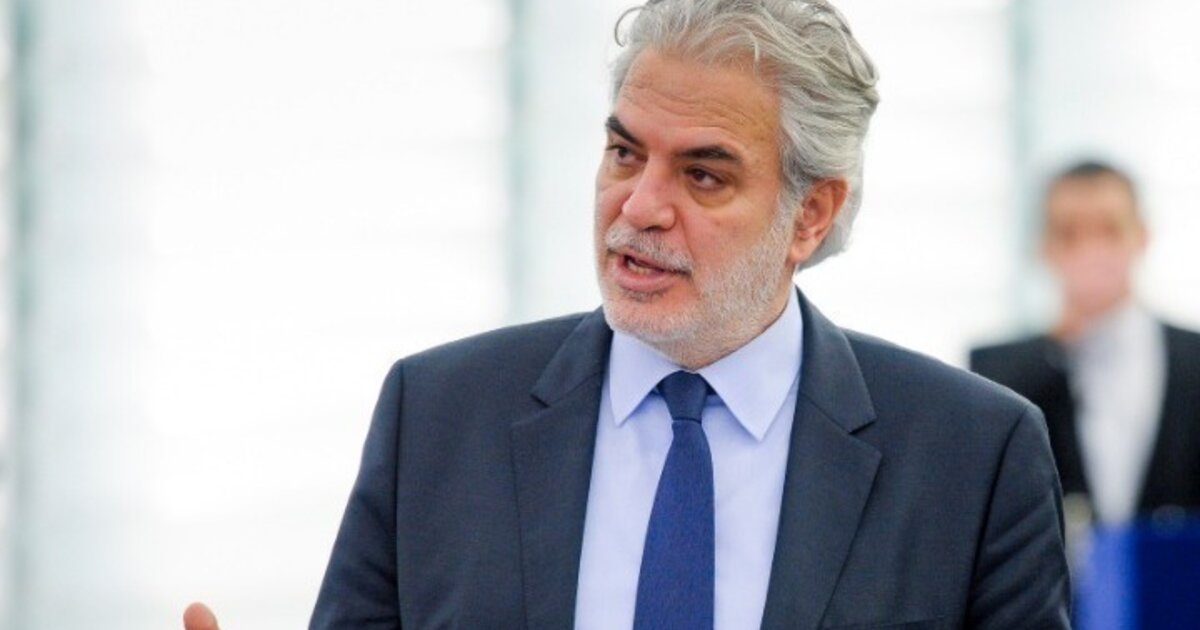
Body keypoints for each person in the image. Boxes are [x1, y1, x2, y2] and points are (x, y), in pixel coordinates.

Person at [187, 1, 1070, 627]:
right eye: (623, 152)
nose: (639, 206)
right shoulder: (438, 415)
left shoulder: (973, 457)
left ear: (810, 214)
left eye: (703, 174)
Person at [971, 161, 1200, 526]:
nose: (1091, 250)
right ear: (1044, 247)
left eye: (1110, 230)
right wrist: (1057, 347)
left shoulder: (1192, 359)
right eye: (1069, 234)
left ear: (1141, 236)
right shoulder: (997, 373)